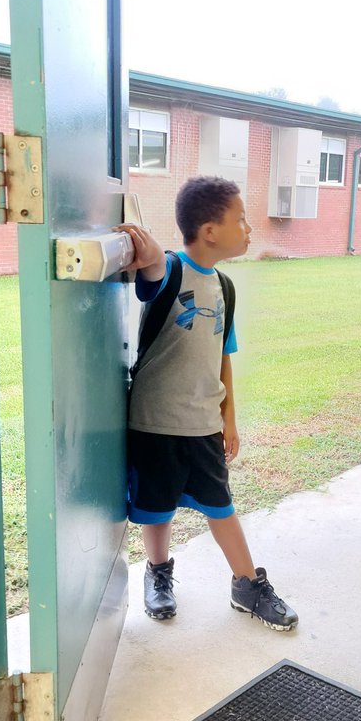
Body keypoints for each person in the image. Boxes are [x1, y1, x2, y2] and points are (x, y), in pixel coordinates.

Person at [115, 176, 298, 632]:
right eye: (241, 219)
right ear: (210, 230)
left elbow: (223, 358)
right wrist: (144, 246)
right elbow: (151, 265)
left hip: (203, 424)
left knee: (221, 506)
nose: (249, 228)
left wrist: (228, 420)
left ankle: (247, 585)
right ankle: (158, 574)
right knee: (157, 509)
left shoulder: (225, 287)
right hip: (156, 423)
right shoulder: (171, 271)